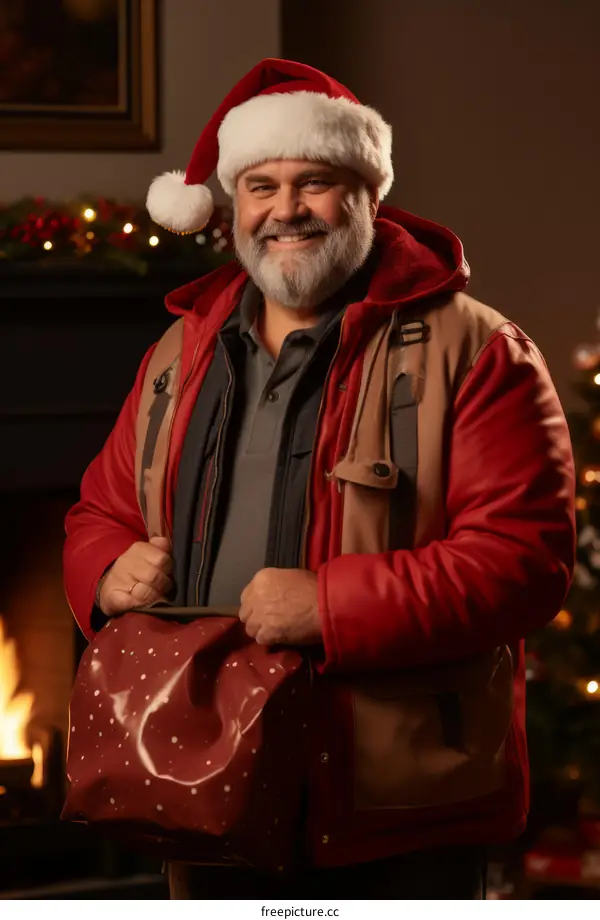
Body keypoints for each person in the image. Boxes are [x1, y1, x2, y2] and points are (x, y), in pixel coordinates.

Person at [63, 58, 575, 900]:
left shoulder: (479, 350)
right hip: (201, 788)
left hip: (394, 799)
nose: (286, 210)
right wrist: (106, 568)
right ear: (232, 204)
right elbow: (98, 512)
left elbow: (523, 563)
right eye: (260, 186)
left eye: (315, 182)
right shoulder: (178, 353)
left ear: (368, 193)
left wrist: (328, 607)